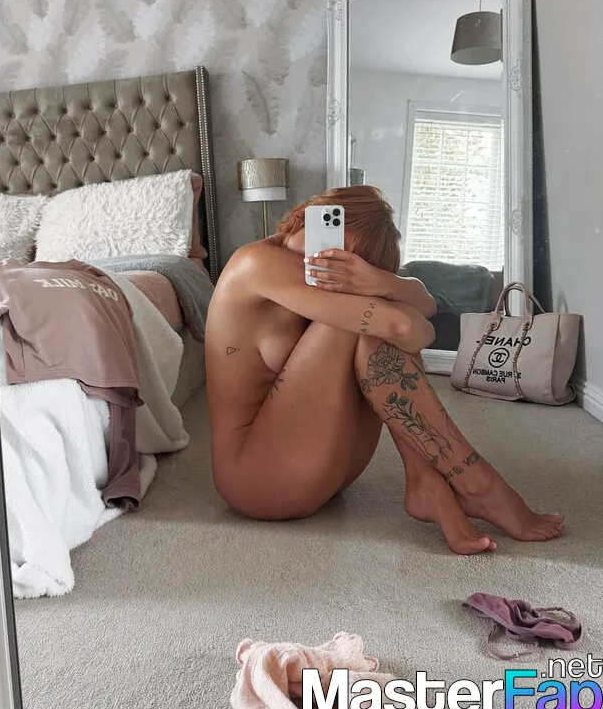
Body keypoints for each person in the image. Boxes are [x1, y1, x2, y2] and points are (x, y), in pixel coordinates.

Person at [204, 185, 564, 554]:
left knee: (370, 324)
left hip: (329, 465)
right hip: (258, 479)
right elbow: (409, 327)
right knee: (364, 322)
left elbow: (423, 305)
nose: (329, 258)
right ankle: (477, 484)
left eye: (349, 261)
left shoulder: (318, 278)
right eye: (331, 236)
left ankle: (427, 482)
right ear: (313, 212)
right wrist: (385, 303)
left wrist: (381, 283)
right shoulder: (255, 263)